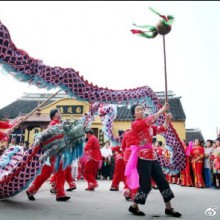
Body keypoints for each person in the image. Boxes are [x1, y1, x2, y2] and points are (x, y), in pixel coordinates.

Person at [126, 103, 181, 217]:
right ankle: (134, 206)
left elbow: (163, 128)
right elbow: (150, 119)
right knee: (145, 185)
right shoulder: (135, 124)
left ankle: (169, 208)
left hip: (153, 157)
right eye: (138, 110)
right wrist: (162, 110)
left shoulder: (149, 126)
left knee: (163, 181)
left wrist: (167, 120)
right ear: (134, 114)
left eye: (142, 109)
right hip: (142, 157)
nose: (141, 111)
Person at [26, 108, 71, 201]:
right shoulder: (53, 124)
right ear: (53, 115)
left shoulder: (57, 124)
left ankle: (31, 190)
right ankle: (60, 194)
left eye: (60, 112)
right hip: (54, 152)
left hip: (54, 152)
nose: (60, 114)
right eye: (58, 112)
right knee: (60, 172)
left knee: (45, 173)